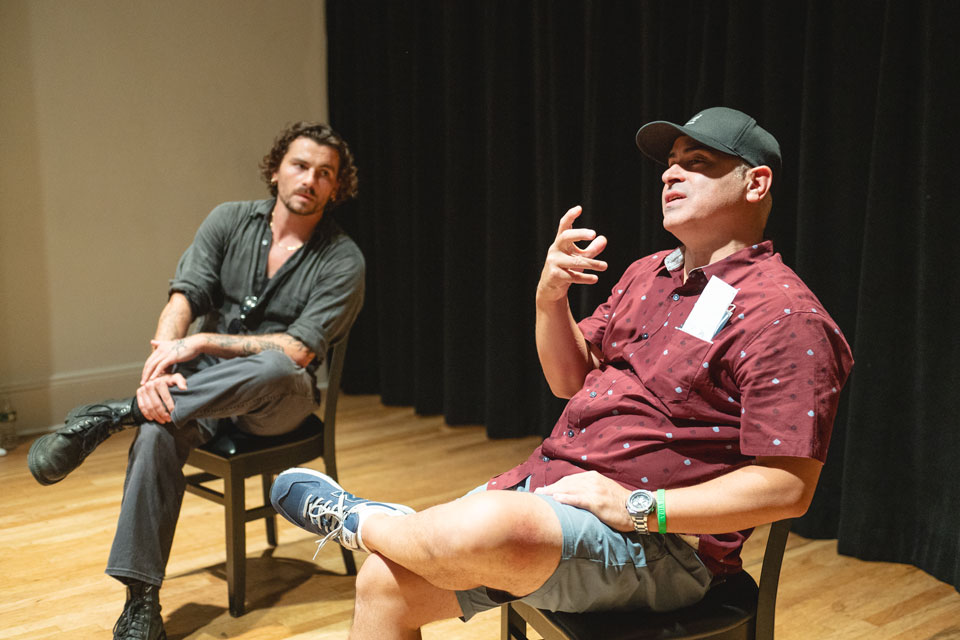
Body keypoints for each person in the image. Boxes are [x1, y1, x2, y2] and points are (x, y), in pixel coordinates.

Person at [270, 107, 854, 638]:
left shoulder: (785, 315)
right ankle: (386, 528)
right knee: (382, 583)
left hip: (662, 545)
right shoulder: (649, 273)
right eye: (669, 166)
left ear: (755, 183)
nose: (670, 176)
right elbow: (568, 381)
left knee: (482, 528)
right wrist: (550, 298)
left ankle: (358, 518)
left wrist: (639, 505)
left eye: (697, 164)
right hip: (555, 489)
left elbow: (788, 488)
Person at [27, 122, 365, 640]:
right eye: (300, 165)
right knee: (159, 429)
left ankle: (114, 415)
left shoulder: (343, 259)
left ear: (336, 188)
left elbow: (299, 349)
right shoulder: (228, 221)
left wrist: (204, 344)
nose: (310, 179)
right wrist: (162, 361)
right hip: (204, 393)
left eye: (325, 173)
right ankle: (142, 602)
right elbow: (184, 296)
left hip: (278, 404)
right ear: (276, 169)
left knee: (277, 365)